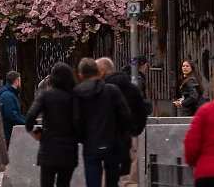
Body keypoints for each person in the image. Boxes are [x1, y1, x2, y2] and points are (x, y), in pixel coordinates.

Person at [73, 57, 132, 187]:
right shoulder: (112, 90)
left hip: (90, 144)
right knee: (112, 182)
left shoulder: (77, 93)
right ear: (99, 73)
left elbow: (76, 121)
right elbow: (125, 116)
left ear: (80, 75)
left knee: (93, 181)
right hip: (112, 143)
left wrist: (83, 137)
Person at [98, 57, 150, 186]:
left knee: (107, 173)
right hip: (128, 135)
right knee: (130, 175)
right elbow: (142, 110)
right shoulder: (131, 88)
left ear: (102, 71)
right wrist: (135, 131)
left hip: (106, 135)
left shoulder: (101, 88)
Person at [25, 63, 79, 187]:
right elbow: (79, 122)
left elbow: (29, 119)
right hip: (69, 150)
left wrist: (39, 136)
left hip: (48, 148)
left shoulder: (45, 95)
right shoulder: (74, 96)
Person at [0, 70, 24, 147]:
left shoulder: (9, 94)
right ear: (17, 81)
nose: (21, 84)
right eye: (20, 81)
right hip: (8, 134)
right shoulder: (8, 96)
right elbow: (12, 116)